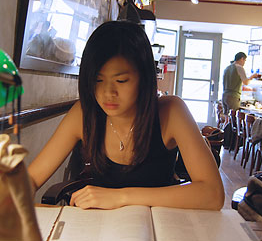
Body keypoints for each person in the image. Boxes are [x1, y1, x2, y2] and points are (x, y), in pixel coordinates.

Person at [28, 21, 224, 210]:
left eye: (121, 80)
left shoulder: (171, 112)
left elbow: (213, 194)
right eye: (98, 80)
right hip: (102, 229)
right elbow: (31, 178)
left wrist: (121, 197)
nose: (108, 93)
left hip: (159, 228)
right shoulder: (83, 114)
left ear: (144, 78)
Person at [222, 52, 258, 125]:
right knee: (233, 122)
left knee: (227, 121)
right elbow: (246, 82)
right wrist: (252, 76)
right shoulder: (239, 67)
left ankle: (224, 135)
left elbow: (233, 83)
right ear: (242, 59)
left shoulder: (227, 68)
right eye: (245, 60)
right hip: (233, 97)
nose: (244, 63)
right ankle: (230, 136)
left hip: (224, 96)